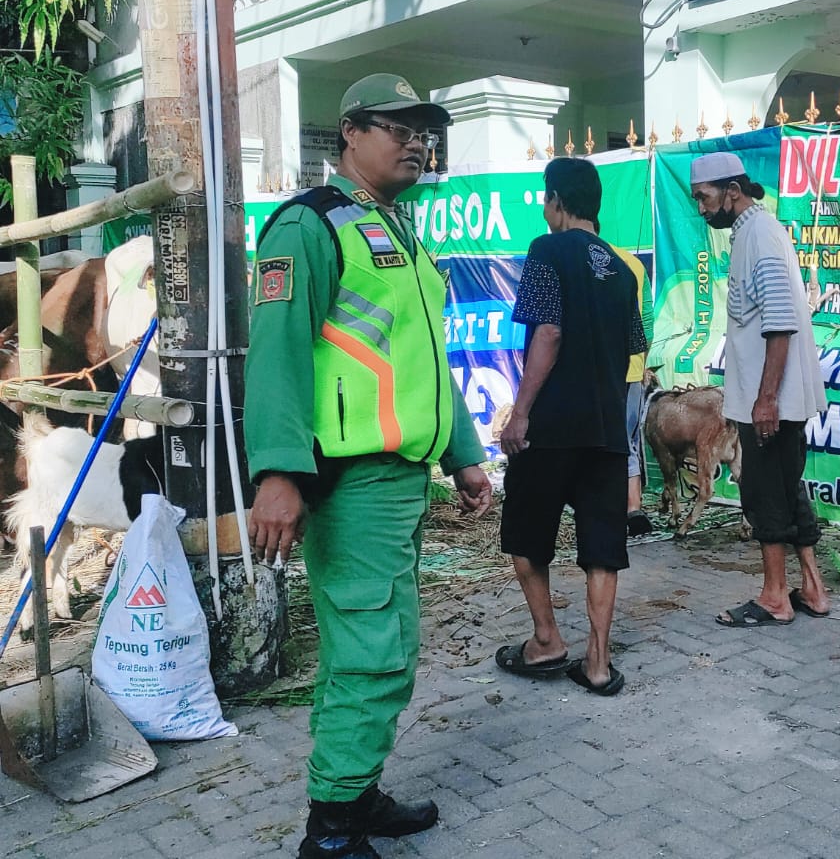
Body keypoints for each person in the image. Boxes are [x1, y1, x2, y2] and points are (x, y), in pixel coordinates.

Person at [245, 73, 493, 859]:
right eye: (399, 127)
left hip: (400, 480)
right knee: (371, 651)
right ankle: (331, 831)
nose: (416, 142)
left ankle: (356, 790)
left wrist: (463, 458)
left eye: (425, 131)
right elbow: (277, 355)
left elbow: (426, 362)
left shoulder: (399, 231)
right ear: (349, 132)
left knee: (383, 643)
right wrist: (278, 474)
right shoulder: (309, 226)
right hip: (350, 482)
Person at [496, 157, 647, 697]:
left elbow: (549, 333)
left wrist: (520, 412)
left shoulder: (545, 250)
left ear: (557, 200)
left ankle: (547, 640)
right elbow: (634, 344)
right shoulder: (621, 266)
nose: (544, 208)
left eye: (545, 198)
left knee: (525, 531)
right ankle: (599, 663)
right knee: (603, 544)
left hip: (553, 424)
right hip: (607, 427)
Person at [687, 151, 829, 627]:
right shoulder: (755, 231)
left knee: (765, 493)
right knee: (787, 489)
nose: (701, 209)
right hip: (773, 397)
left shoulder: (759, 235)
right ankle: (812, 588)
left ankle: (775, 598)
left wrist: (766, 398)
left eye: (704, 198)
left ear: (732, 190)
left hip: (771, 399)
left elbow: (780, 323)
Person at [611, 243, 655, 536]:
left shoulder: (577, 259)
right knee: (628, 442)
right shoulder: (634, 264)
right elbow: (647, 325)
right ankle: (633, 507)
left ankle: (603, 509)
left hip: (598, 372)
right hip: (633, 368)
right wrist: (643, 365)